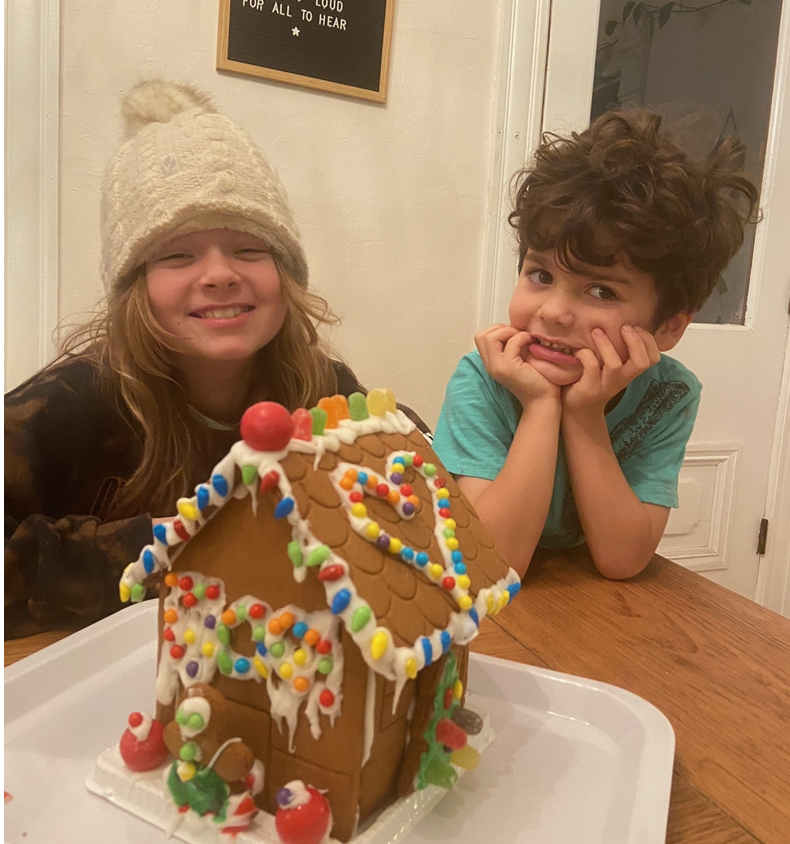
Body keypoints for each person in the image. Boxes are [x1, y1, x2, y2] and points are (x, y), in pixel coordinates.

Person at [4, 79, 424, 639]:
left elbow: (417, 508)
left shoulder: (324, 390)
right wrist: (161, 546)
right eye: (177, 255)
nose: (221, 274)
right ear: (137, 287)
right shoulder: (67, 406)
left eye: (250, 248)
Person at [432, 110, 758, 580]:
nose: (553, 312)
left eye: (601, 291)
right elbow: (493, 562)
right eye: (540, 275)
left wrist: (584, 413)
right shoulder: (485, 376)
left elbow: (622, 560)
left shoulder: (668, 394)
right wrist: (542, 405)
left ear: (667, 327)